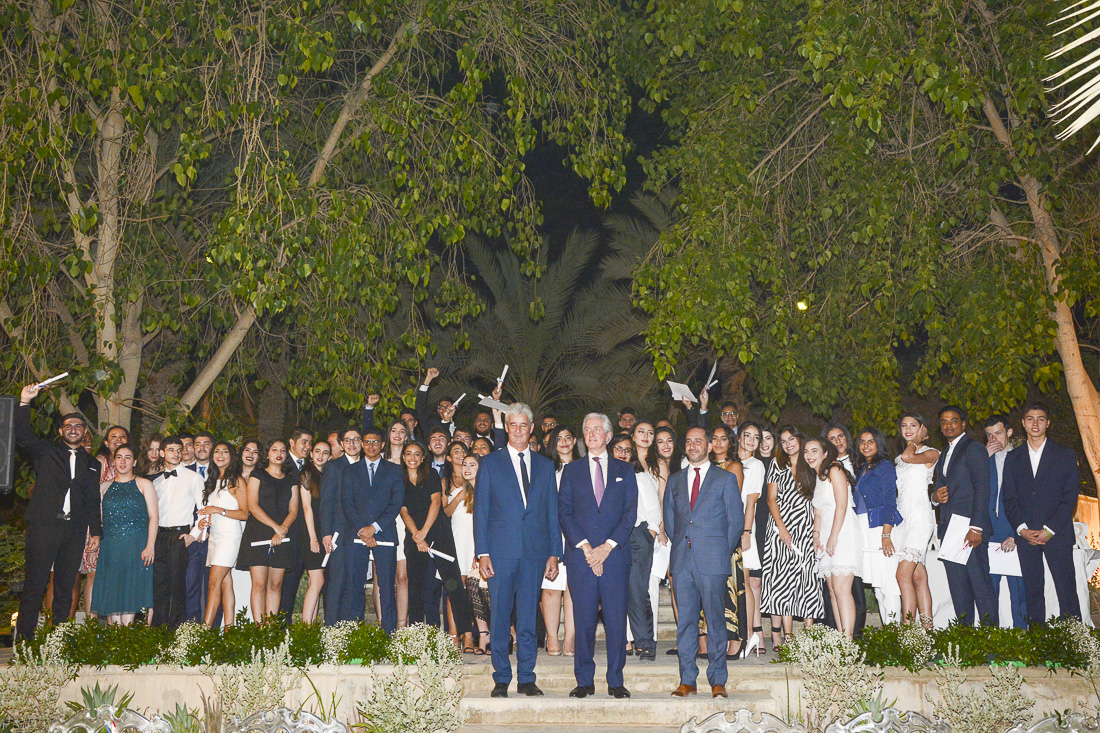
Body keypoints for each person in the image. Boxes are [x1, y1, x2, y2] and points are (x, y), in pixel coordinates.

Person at [474, 402, 562, 699]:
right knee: (499, 616)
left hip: (534, 552)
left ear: (531, 428)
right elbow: (481, 511)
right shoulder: (490, 463)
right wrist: (482, 552)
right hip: (500, 551)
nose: (519, 430)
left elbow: (552, 512)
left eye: (524, 425)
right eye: (513, 425)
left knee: (527, 617)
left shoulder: (545, 465)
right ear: (507, 427)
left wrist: (554, 553)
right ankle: (501, 677)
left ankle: (526, 677)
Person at [558, 413, 638, 700]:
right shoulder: (572, 470)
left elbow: (630, 514)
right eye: (587, 430)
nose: (591, 434)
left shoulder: (625, 470)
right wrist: (587, 549)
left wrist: (606, 547)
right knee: (583, 621)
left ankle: (616, 680)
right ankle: (584, 681)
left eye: (597, 429)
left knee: (616, 620)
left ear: (608, 435)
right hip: (581, 558)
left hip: (614, 557)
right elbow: (564, 513)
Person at [666, 426, 743, 699]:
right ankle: (687, 680)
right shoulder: (675, 481)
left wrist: (721, 554)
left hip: (713, 560)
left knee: (715, 621)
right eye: (688, 441)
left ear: (709, 446)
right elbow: (671, 521)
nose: (693, 445)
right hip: (682, 562)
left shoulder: (725, 479)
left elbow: (736, 522)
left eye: (698, 441)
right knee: (686, 622)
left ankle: (718, 680)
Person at [1002, 402, 1082, 625]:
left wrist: (1049, 530)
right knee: (1032, 591)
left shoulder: (1065, 455)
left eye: (1040, 419)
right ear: (1023, 423)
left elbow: (1069, 498)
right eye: (1030, 419)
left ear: (1048, 423)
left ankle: (1074, 641)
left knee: (1066, 589)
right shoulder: (1013, 458)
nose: (1035, 423)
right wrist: (1022, 529)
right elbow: (1009, 498)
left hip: (1057, 534)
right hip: (1026, 535)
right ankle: (1037, 642)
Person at [932, 406, 997, 626]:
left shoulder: (974, 448)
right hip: (950, 530)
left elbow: (982, 489)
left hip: (971, 529)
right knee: (959, 588)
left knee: (980, 585)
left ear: (963, 424)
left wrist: (976, 527)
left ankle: (991, 639)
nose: (948, 425)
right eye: (944, 421)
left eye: (953, 420)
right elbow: (941, 488)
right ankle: (965, 639)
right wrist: (934, 496)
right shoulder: (945, 454)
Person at [400, 442, 472, 638]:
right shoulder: (400, 478)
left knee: (453, 580)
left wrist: (424, 532)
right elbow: (403, 509)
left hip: (438, 530)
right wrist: (417, 535)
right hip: (414, 535)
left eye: (417, 454)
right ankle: (416, 634)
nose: (413, 458)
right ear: (404, 456)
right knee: (416, 585)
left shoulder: (431, 474)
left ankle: (467, 634)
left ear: (423, 457)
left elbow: (435, 502)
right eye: (409, 454)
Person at [761, 427, 823, 646]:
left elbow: (820, 500)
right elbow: (771, 499)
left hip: (807, 527)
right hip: (781, 529)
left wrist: (817, 531)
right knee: (783, 580)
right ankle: (788, 637)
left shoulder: (812, 465)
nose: (788, 444)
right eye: (784, 441)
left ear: (800, 439)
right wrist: (782, 527)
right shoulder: (777, 465)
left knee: (808, 579)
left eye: (792, 439)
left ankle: (808, 635)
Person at [343, 426, 404, 631]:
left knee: (386, 587)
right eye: (367, 442)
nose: (370, 446)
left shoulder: (394, 470)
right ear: (361, 444)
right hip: (357, 535)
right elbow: (347, 503)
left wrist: (374, 528)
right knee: (355, 585)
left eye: (375, 442)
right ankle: (356, 636)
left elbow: (395, 504)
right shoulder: (350, 471)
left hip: (384, 534)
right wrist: (363, 529)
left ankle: (388, 635)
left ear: (382, 445)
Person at [88, 445, 157, 625]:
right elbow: (98, 518)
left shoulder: (144, 484)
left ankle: (133, 641)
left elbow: (153, 517)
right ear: (114, 461)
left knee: (134, 592)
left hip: (137, 546)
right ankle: (116, 643)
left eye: (128, 457)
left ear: (134, 462)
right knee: (113, 593)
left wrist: (150, 546)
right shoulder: (103, 487)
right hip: (111, 547)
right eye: (119, 457)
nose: (123, 461)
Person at [803, 438, 861, 638]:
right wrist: (816, 537)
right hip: (827, 533)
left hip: (842, 531)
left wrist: (834, 537)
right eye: (806, 452)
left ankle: (848, 641)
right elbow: (818, 513)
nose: (809, 455)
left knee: (841, 588)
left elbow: (842, 505)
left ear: (825, 453)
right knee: (832, 589)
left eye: (814, 451)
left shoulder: (835, 470)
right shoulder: (818, 477)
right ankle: (840, 637)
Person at [236, 441, 299, 622]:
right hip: (258, 533)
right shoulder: (258, 475)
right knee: (259, 584)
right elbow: (252, 506)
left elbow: (293, 510)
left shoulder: (291, 479)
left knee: (276, 584)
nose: (278, 453)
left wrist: (282, 531)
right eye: (274, 450)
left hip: (281, 536)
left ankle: (270, 629)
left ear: (286, 455)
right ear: (268, 454)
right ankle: (259, 629)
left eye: (282, 450)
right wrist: (275, 527)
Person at [150, 436, 205, 628]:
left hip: (179, 536)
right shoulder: (155, 482)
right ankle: (158, 631)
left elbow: (205, 509)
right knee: (159, 585)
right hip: (159, 536)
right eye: (171, 450)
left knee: (177, 586)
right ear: (162, 453)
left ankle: (175, 631)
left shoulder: (194, 478)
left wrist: (194, 534)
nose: (176, 453)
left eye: (178, 450)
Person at [195, 442, 249, 628]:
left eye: (225, 452)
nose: (220, 455)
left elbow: (245, 513)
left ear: (232, 456)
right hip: (215, 537)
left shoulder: (237, 481)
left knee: (213, 583)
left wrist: (219, 510)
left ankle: (205, 630)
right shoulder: (212, 481)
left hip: (229, 537)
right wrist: (205, 521)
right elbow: (210, 510)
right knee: (226, 584)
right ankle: (229, 629)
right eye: (217, 451)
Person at [853, 428, 902, 624]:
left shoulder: (885, 466)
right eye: (862, 441)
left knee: (888, 584)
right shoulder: (862, 467)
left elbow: (890, 501)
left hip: (881, 528)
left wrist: (886, 534)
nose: (866, 445)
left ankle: (894, 634)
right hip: (866, 529)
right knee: (878, 587)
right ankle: (888, 634)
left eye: (871, 441)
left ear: (879, 444)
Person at [893, 413, 939, 625]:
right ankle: (927, 631)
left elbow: (909, 458)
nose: (908, 429)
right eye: (904, 426)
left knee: (902, 575)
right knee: (918, 576)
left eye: (913, 425)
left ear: (924, 429)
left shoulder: (931, 453)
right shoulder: (899, 458)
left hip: (920, 519)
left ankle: (908, 633)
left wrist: (915, 442)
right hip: (904, 520)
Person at [984, 414, 1027, 628]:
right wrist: (983, 459)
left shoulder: (1022, 457)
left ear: (1009, 432)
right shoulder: (983, 458)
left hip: (1014, 530)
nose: (994, 440)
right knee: (989, 591)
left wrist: (1017, 533)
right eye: (989, 435)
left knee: (1019, 591)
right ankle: (992, 640)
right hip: (988, 532)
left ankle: (1021, 638)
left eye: (998, 433)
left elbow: (1029, 499)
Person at [541, 426, 579, 657]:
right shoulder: (546, 470)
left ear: (575, 441)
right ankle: (552, 637)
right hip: (550, 532)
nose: (563, 442)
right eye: (559, 439)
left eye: (568, 437)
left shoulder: (585, 467)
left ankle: (570, 639)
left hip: (577, 534)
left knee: (573, 589)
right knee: (551, 587)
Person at [319, 428, 361, 625]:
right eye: (347, 440)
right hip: (338, 532)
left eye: (356, 440)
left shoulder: (366, 466)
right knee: (337, 581)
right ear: (342, 445)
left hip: (361, 533)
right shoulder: (334, 467)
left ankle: (351, 629)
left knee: (355, 582)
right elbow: (326, 502)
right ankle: (332, 630)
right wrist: (326, 533)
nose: (352, 444)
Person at [627, 430, 661, 662]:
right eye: (617, 449)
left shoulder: (639, 476)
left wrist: (649, 534)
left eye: (626, 450)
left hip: (637, 537)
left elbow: (653, 509)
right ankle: (621, 640)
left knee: (638, 590)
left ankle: (645, 642)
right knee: (614, 592)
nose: (621, 454)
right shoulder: (604, 476)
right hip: (608, 540)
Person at [445, 451, 479, 652]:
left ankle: (471, 636)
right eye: (464, 464)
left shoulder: (486, 490)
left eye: (472, 465)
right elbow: (445, 513)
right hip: (457, 543)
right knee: (455, 590)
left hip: (476, 545)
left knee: (474, 593)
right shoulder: (458, 490)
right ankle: (454, 635)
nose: (466, 468)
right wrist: (457, 499)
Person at [736, 422, 765, 656]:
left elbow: (751, 501)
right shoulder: (729, 461)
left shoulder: (755, 465)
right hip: (723, 526)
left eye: (756, 438)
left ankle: (749, 635)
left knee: (745, 581)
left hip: (744, 527)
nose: (751, 441)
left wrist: (746, 532)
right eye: (748, 435)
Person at [279, 427, 313, 622]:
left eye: (309, 443)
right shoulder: (280, 465)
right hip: (286, 532)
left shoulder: (311, 466)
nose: (307, 446)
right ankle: (280, 627)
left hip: (306, 534)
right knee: (285, 584)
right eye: (304, 442)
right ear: (292, 442)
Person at [296, 460, 326, 623]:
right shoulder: (306, 474)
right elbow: (307, 508)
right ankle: (305, 628)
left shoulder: (324, 476)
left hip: (322, 533)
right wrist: (313, 538)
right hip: (309, 532)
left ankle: (310, 627)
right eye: (317, 451)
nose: (321, 455)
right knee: (317, 580)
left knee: (315, 582)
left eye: (325, 452)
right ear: (312, 455)